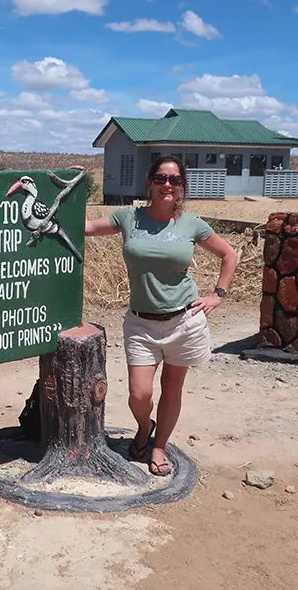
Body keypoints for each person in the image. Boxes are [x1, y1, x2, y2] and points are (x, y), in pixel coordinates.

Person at [84, 155, 238, 476]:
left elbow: (228, 254)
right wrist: (70, 187)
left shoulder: (191, 223)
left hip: (184, 320)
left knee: (172, 389)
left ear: (182, 186)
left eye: (175, 180)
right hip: (141, 322)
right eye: (161, 178)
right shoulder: (129, 217)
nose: (167, 184)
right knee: (139, 394)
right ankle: (144, 426)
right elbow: (85, 227)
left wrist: (217, 295)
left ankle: (158, 446)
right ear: (150, 182)